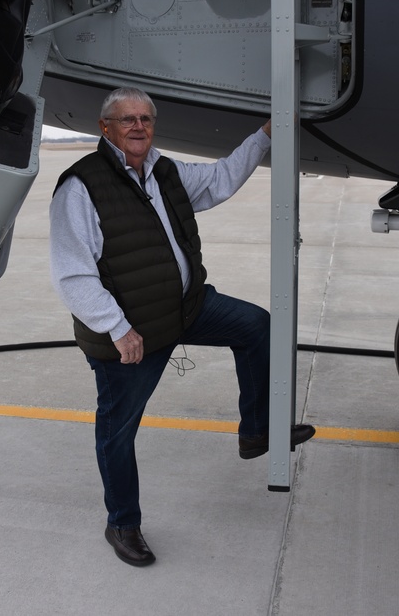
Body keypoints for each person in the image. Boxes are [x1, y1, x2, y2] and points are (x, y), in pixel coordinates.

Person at [49, 87, 316, 567]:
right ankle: (123, 523)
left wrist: (265, 136)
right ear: (104, 127)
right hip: (131, 333)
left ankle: (256, 431)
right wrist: (117, 328)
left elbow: (220, 179)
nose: (138, 126)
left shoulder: (164, 172)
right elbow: (73, 274)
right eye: (126, 119)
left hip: (184, 308)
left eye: (145, 119)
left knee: (256, 326)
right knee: (117, 432)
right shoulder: (80, 186)